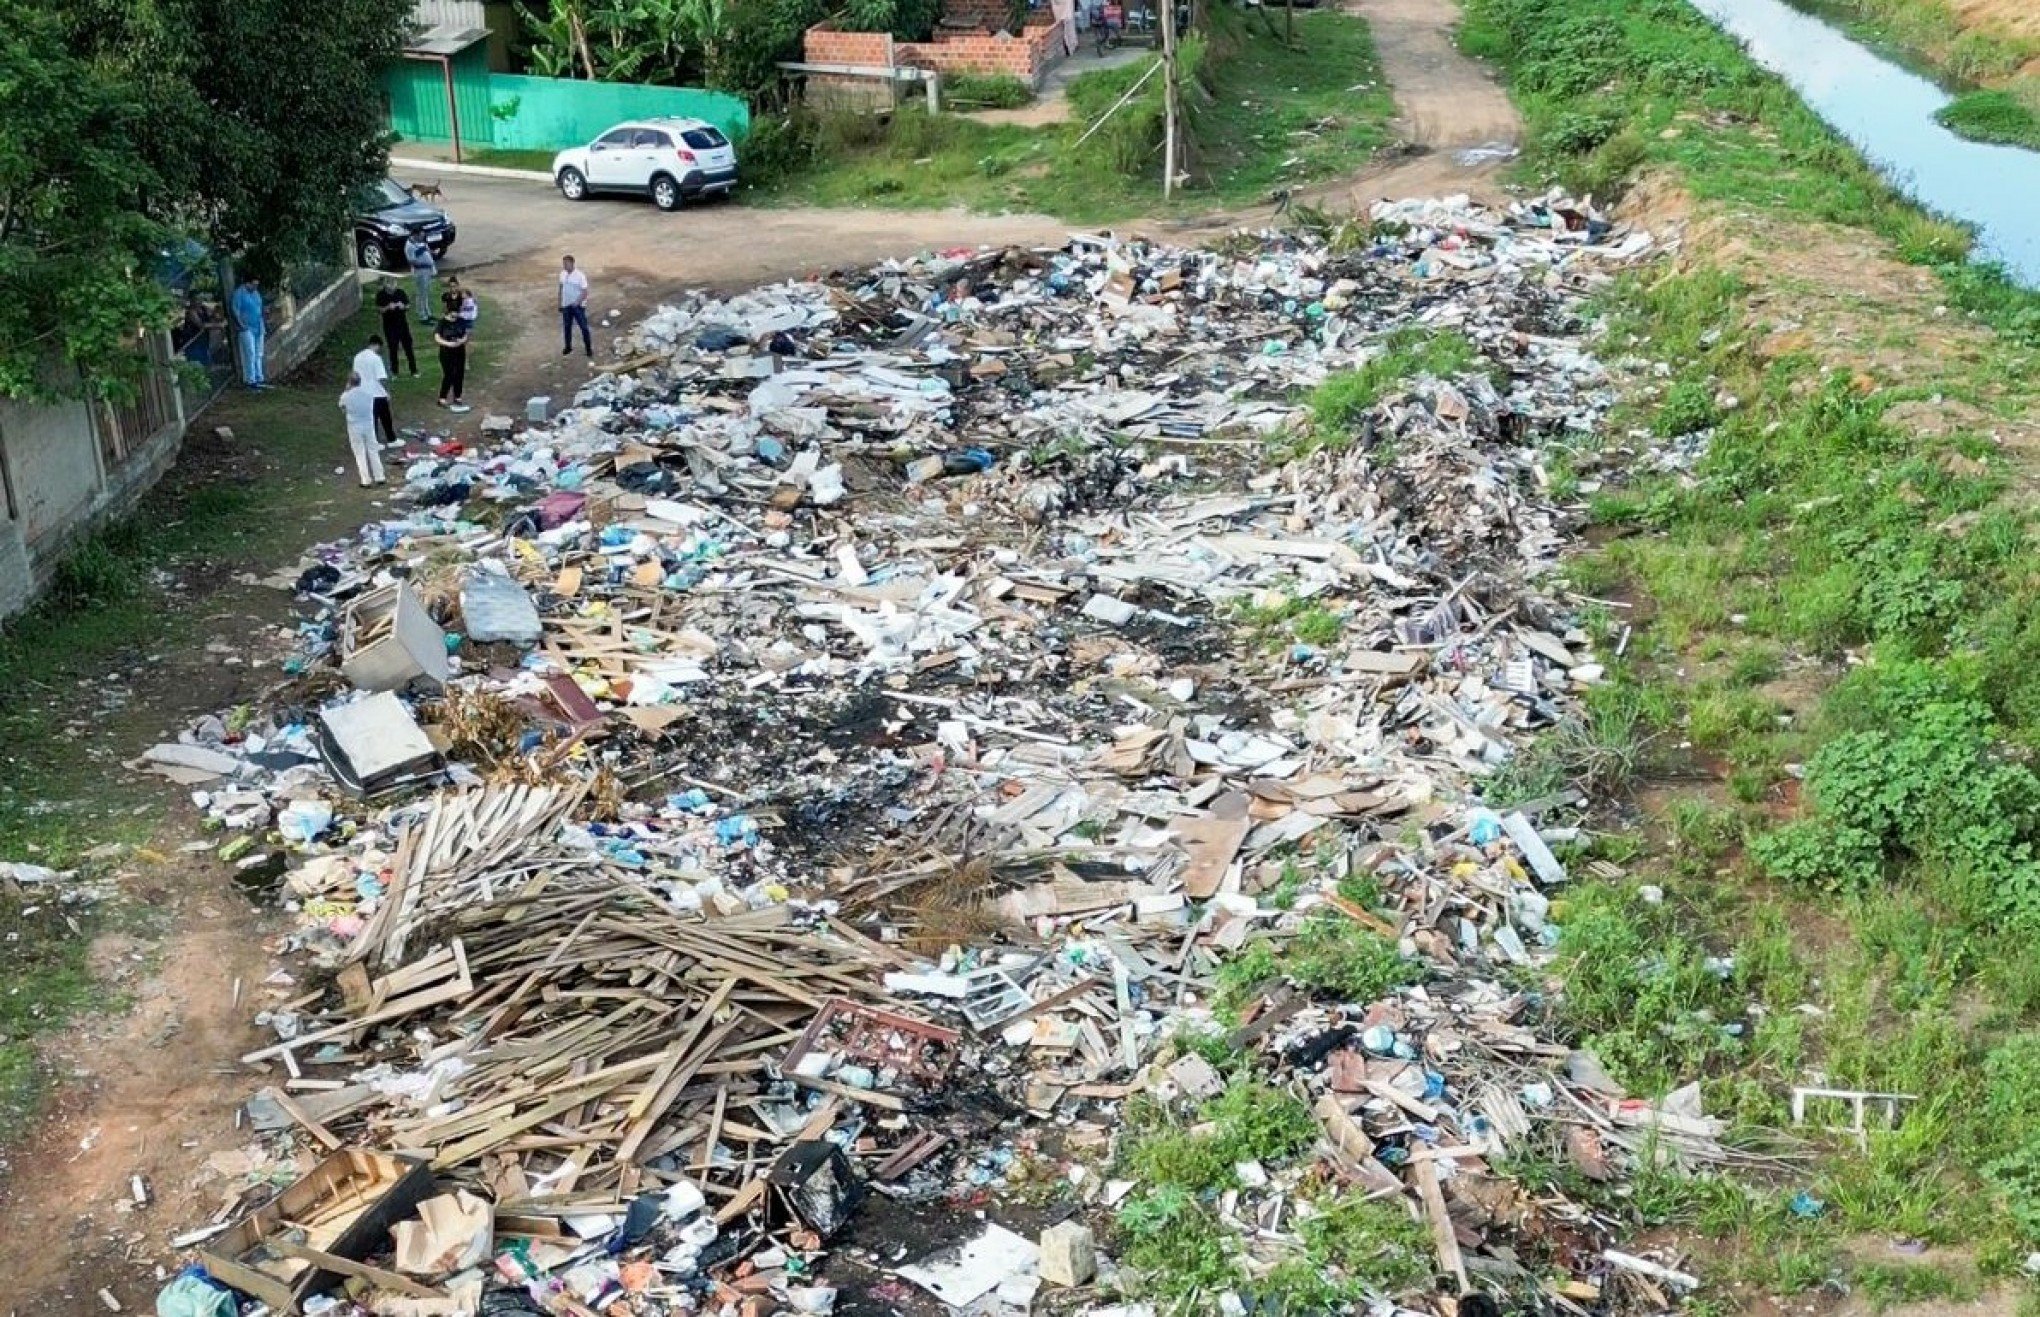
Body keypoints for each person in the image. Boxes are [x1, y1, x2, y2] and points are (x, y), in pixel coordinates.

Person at [339, 371, 386, 487]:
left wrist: (346, 390)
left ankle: (365, 479)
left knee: (359, 453)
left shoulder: (346, 396)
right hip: (368, 424)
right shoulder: (368, 393)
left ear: (349, 382)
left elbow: (342, 408)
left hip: (354, 426)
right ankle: (380, 476)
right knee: (373, 449)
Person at [352, 335, 396, 446]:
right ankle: (391, 439)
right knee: (385, 417)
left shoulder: (358, 357)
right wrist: (386, 391)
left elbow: (355, 375)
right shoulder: (376, 359)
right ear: (377, 345)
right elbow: (381, 377)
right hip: (376, 393)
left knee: (370, 419)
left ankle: (372, 441)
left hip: (362, 392)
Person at [229, 277, 267, 389]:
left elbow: (259, 307)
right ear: (247, 283)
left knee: (258, 353)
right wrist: (241, 325)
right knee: (250, 353)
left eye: (257, 285)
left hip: (258, 326)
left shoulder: (256, 293)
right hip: (247, 328)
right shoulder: (239, 293)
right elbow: (235, 310)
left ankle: (259, 377)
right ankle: (250, 380)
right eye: (253, 284)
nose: (255, 287)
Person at [376, 279, 418, 375]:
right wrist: (387, 307)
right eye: (390, 285)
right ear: (386, 285)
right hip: (389, 326)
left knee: (408, 347)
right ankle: (395, 372)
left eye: (394, 284)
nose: (392, 287)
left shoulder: (400, 292)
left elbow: (408, 306)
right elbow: (379, 309)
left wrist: (403, 306)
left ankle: (414, 370)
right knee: (393, 348)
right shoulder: (381, 295)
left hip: (402, 324)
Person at [435, 305, 471, 413]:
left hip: (459, 351)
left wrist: (461, 341)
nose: (456, 314)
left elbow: (465, 334)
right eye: (454, 312)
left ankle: (457, 397)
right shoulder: (442, 323)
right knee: (449, 374)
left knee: (459, 374)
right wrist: (448, 344)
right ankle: (442, 398)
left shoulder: (461, 321)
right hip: (446, 352)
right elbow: (437, 337)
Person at [559, 254, 592, 357]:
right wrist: (560, 302)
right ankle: (568, 347)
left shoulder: (580, 276)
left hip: (577, 306)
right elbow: (561, 288)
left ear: (572, 263)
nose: (564, 266)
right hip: (566, 305)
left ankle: (588, 349)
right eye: (563, 264)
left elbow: (585, 291)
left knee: (584, 327)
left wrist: (577, 302)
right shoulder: (562, 274)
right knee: (567, 327)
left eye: (566, 263)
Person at [405, 235, 437, 323]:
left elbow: (427, 250)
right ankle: (422, 316)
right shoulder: (409, 246)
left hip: (427, 271)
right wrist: (424, 263)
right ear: (415, 234)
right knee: (421, 294)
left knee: (426, 293)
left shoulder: (420, 242)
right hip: (420, 272)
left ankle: (428, 314)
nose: (422, 237)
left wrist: (431, 253)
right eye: (420, 235)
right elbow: (411, 261)